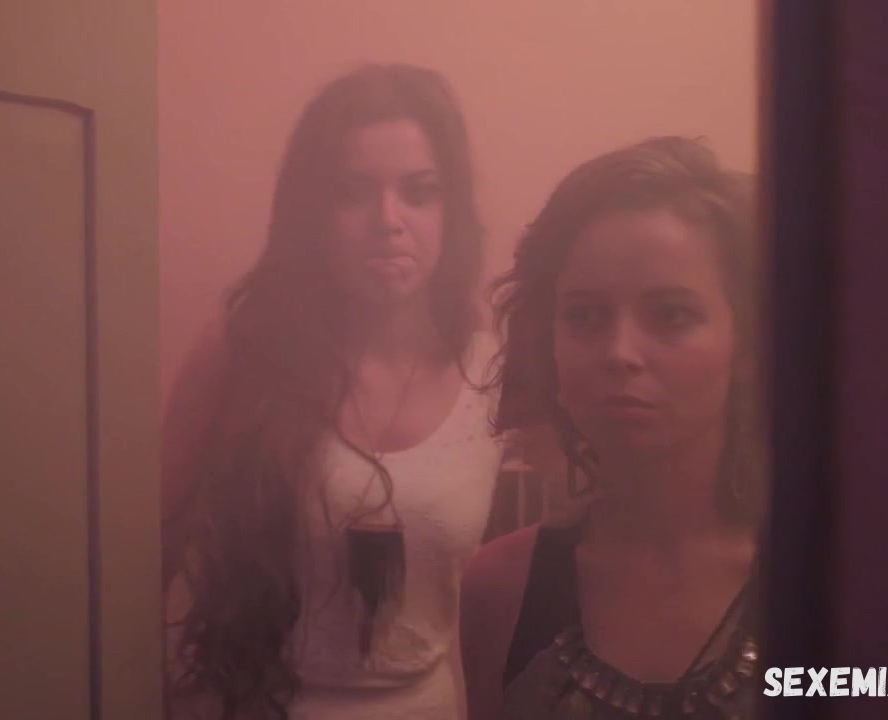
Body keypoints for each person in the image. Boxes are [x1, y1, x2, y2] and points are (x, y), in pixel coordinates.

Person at [162, 63, 505, 720]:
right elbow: (144, 556)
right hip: (250, 703)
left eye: (419, 192)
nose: (388, 220)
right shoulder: (240, 355)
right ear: (312, 215)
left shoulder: (491, 375)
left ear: (450, 210)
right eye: (353, 193)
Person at [461, 137, 765, 719]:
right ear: (549, 341)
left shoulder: (836, 581)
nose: (619, 352)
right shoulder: (501, 588)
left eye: (670, 315)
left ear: (746, 344)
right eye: (585, 316)